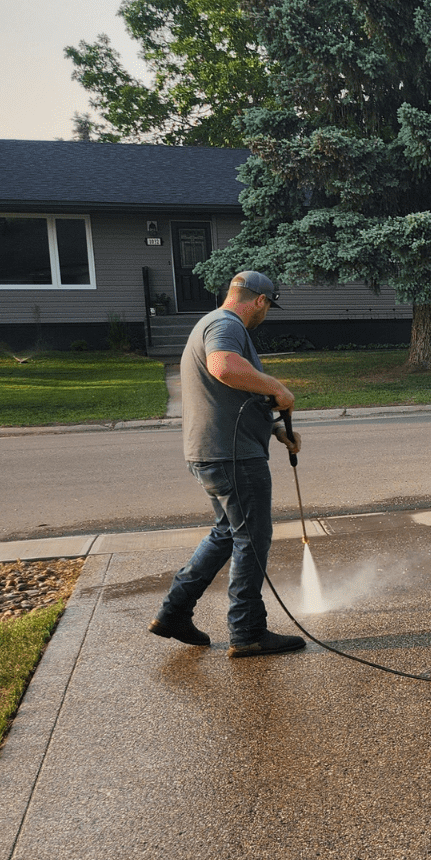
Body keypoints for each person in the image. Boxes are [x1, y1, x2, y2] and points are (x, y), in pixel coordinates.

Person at [150, 271, 306, 657]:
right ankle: (248, 631)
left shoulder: (208, 323)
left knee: (226, 533)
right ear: (259, 301)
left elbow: (226, 399)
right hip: (234, 458)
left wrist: (273, 431)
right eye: (268, 306)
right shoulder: (225, 324)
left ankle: (173, 613)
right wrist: (277, 388)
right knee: (252, 539)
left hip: (211, 452)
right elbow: (223, 367)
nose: (266, 313)